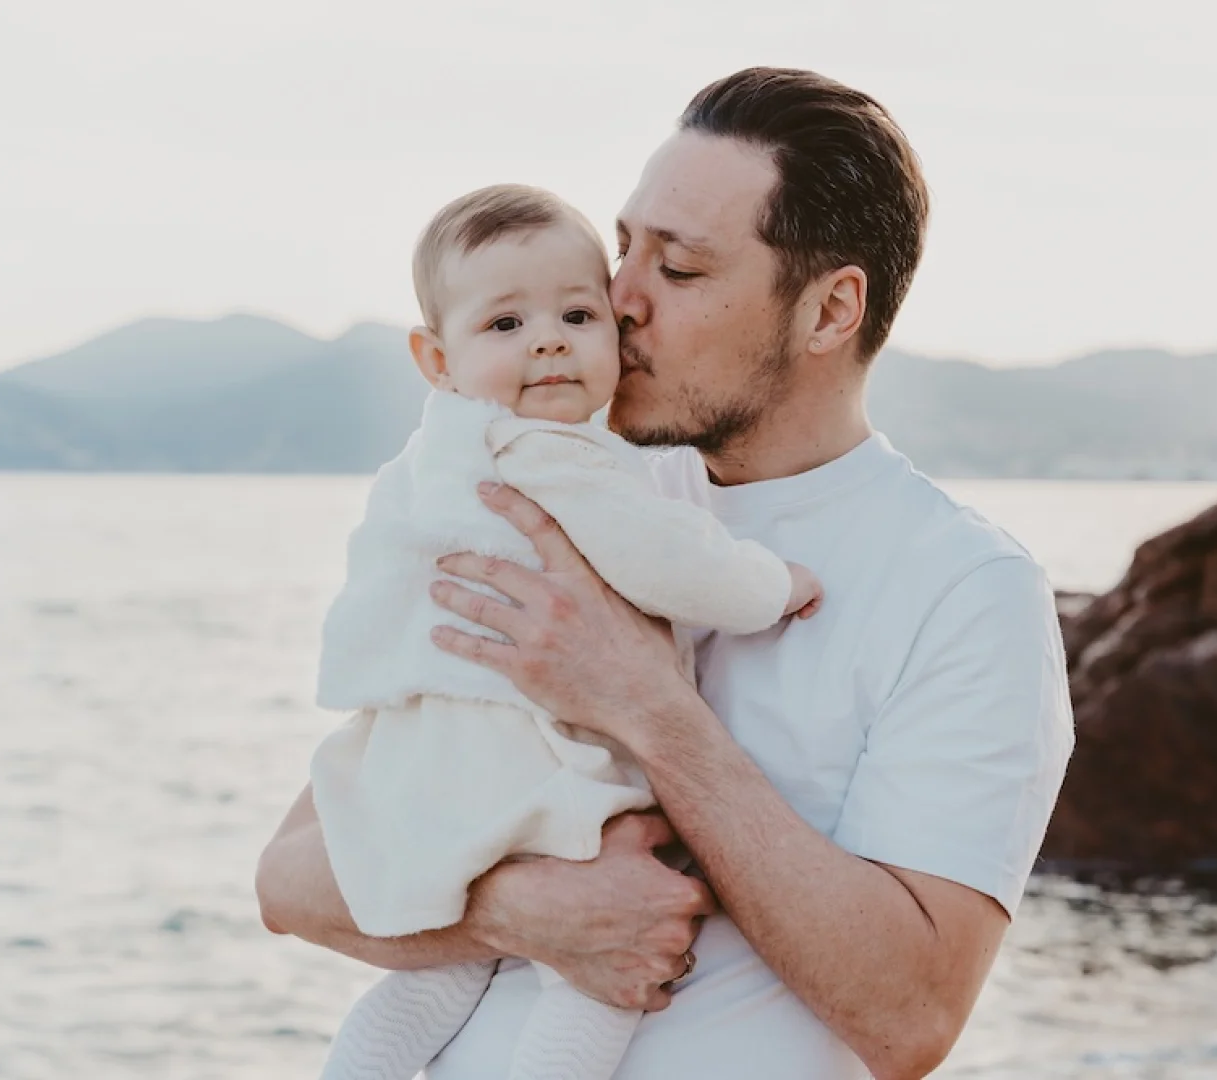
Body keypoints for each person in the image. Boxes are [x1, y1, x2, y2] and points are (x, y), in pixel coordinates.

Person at [257, 66, 1075, 1080]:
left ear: (828, 312)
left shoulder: (963, 589)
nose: (619, 300)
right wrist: (526, 909)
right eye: (622, 249)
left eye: (678, 270)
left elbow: (908, 1016)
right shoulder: (550, 490)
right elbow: (290, 878)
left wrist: (649, 707)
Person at [307, 183, 822, 1080]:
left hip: (433, 768)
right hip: (533, 765)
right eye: (504, 326)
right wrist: (774, 587)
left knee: (439, 974)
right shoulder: (547, 455)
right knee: (600, 981)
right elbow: (670, 559)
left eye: (576, 314)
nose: (546, 339)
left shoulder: (425, 458)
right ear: (437, 357)